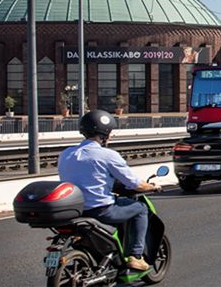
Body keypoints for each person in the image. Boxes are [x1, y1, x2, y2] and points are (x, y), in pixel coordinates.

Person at [58, 110, 162, 271]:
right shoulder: (107, 155)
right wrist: (152, 187)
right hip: (100, 211)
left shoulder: (66, 154)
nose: (111, 136)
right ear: (104, 133)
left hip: (75, 211)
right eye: (110, 132)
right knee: (141, 209)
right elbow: (134, 183)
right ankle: (135, 256)